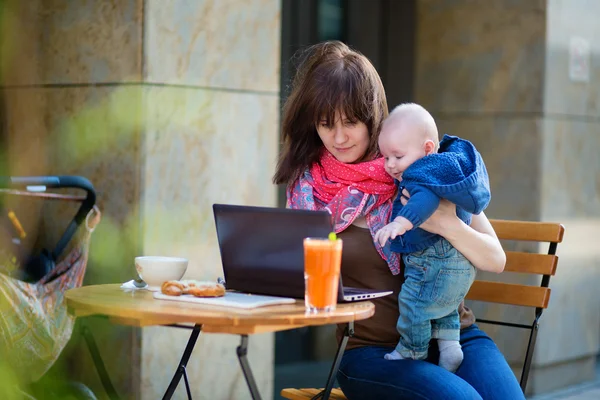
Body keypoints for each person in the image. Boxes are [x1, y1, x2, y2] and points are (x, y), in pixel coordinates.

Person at [274, 40, 524, 399]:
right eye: (326, 124)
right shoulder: (309, 193)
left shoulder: (419, 165)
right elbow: (296, 277)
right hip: (372, 352)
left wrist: (446, 224)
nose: (339, 137)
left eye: (351, 123)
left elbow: (495, 259)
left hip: (453, 336)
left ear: (372, 117)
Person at [373, 103, 490, 372]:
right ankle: (451, 348)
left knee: (414, 303)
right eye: (385, 157)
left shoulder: (422, 174)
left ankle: (412, 351)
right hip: (458, 268)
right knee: (444, 308)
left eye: (397, 157)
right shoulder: (448, 174)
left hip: (433, 261)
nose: (390, 165)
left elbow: (423, 200)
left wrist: (400, 222)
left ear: (427, 149)